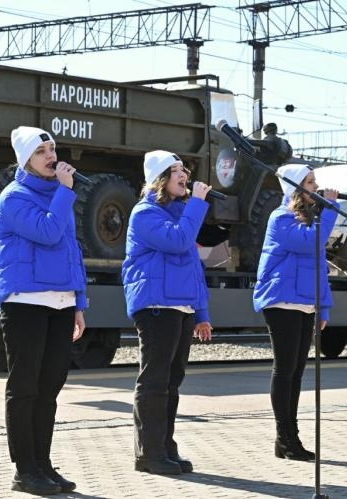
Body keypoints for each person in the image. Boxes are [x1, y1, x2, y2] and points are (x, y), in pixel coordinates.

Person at [0, 126, 88, 495]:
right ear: (25, 160)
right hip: (25, 303)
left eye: (52, 149)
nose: (51, 156)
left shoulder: (60, 195)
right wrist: (65, 192)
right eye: (41, 151)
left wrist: (79, 303)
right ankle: (25, 470)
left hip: (61, 302)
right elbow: (47, 233)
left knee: (49, 389)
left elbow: (71, 251)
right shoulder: (14, 197)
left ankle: (43, 465)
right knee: (25, 388)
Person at [122, 150, 214, 476]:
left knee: (172, 382)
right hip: (157, 305)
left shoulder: (181, 213)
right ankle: (149, 453)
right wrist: (197, 204)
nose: (184, 174)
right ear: (159, 178)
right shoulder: (145, 213)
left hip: (181, 305)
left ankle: (164, 447)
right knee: (155, 380)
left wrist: (201, 312)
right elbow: (177, 241)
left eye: (184, 169)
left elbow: (193, 268)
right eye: (175, 170)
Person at [253, 164, 339, 462]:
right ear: (295, 187)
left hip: (305, 303)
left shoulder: (310, 220)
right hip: (282, 301)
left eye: (315, 181)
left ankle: (289, 438)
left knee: (297, 372)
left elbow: (319, 268)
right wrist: (331, 209)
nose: (316, 186)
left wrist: (323, 305)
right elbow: (311, 243)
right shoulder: (281, 218)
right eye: (310, 182)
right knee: (285, 369)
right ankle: (286, 436)